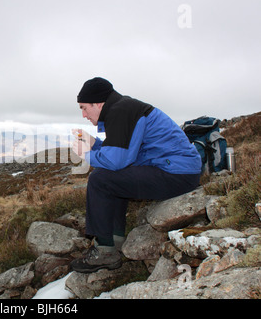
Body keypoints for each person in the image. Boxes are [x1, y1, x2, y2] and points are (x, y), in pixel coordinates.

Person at [70, 77, 202, 273]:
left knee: (100, 179)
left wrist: (85, 154)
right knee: (110, 175)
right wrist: (94, 143)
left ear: (97, 104)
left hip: (176, 174)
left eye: (84, 108)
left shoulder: (121, 112)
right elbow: (126, 152)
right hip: (179, 171)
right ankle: (114, 241)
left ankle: (105, 250)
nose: (83, 115)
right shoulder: (124, 109)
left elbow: (117, 160)